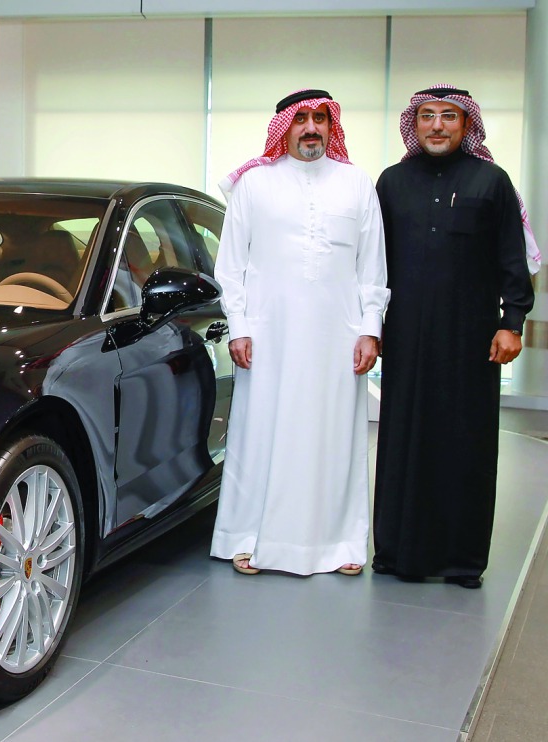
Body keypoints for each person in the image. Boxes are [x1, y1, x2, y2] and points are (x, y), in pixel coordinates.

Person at [210, 89, 389, 576]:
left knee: (335, 437)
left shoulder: (356, 183)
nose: (311, 128)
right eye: (301, 119)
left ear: (332, 126)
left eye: (321, 118)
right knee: (260, 434)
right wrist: (239, 327)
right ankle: (247, 537)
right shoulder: (254, 184)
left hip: (339, 336)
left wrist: (370, 330)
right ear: (284, 127)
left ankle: (340, 543)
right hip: (268, 335)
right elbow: (231, 268)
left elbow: (372, 267)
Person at [372, 85, 537, 589]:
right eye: (427, 116)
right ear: (414, 124)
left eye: (448, 116)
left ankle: (462, 560)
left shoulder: (491, 181)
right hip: (405, 337)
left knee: (467, 443)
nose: (437, 125)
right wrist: (370, 326)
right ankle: (398, 555)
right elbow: (372, 263)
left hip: (472, 339)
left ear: (466, 126)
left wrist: (512, 322)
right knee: (404, 440)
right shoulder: (391, 182)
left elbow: (512, 258)